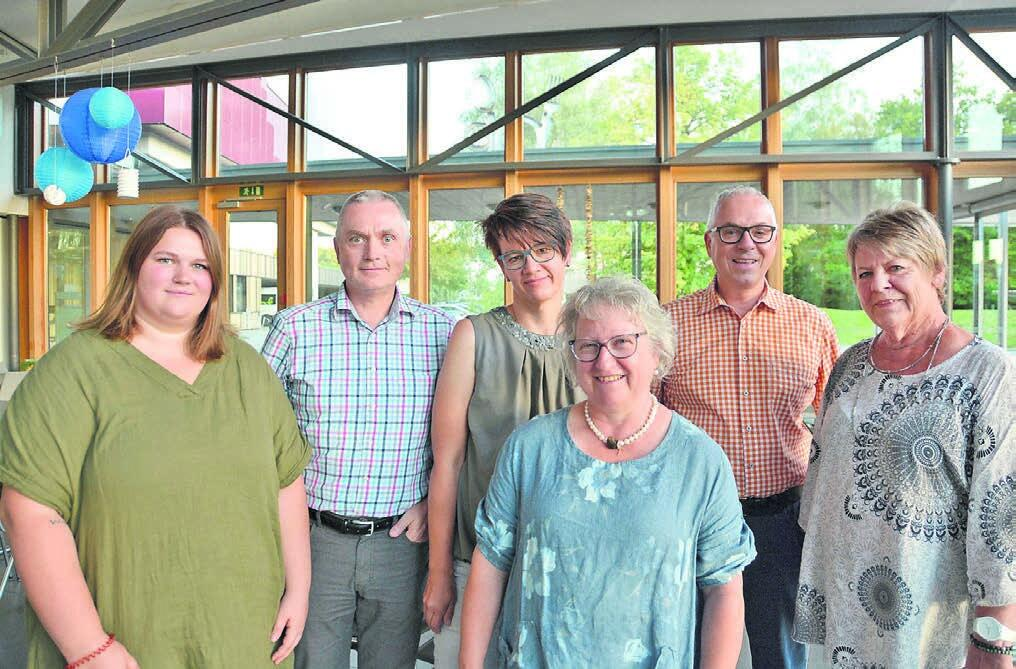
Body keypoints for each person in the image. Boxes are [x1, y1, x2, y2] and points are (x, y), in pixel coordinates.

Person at [0, 205, 311, 668]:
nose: (184, 276)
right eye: (166, 260)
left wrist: (299, 590)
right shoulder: (73, 371)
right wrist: (89, 647)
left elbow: (286, 484)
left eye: (200, 265)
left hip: (244, 634)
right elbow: (30, 512)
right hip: (122, 641)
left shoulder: (247, 368)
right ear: (134, 268)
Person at [460, 276, 755, 668]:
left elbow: (724, 590)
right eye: (589, 346)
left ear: (657, 351)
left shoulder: (700, 461)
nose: (604, 361)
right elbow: (491, 563)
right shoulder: (530, 448)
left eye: (622, 343)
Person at [793, 202, 1015, 668]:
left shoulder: (987, 372)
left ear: (936, 272)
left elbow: (1003, 523)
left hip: (932, 623)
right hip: (845, 615)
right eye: (864, 273)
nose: (879, 285)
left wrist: (995, 642)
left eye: (896, 267)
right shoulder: (850, 365)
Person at [262, 190, 455, 669]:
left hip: (402, 546)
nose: (373, 251)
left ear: (407, 249)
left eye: (387, 237)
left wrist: (434, 503)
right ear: (337, 250)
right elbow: (255, 436)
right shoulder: (293, 330)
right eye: (357, 238)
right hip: (313, 542)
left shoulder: (443, 333)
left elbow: (461, 440)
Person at [656, 185, 838, 669]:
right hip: (691, 522)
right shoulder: (665, 326)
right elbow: (645, 427)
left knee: (780, 655)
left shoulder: (812, 325)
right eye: (731, 231)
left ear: (775, 240)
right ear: (709, 242)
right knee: (691, 651)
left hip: (782, 523)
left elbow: (836, 427)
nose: (746, 244)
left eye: (760, 231)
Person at [425, 192, 584, 668]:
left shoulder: (594, 337)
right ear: (501, 265)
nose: (531, 265)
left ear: (566, 251)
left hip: (572, 559)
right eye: (514, 256)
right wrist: (438, 572)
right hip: (478, 559)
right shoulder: (472, 336)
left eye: (542, 250)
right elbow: (448, 462)